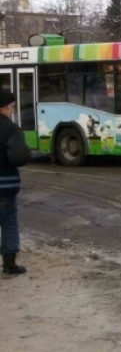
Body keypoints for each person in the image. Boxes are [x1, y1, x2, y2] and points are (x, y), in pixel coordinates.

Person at [0, 90, 31, 277]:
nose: (12, 111)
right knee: (9, 222)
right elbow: (20, 157)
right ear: (3, 108)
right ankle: (9, 266)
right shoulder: (11, 129)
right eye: (11, 108)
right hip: (5, 185)